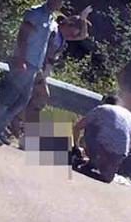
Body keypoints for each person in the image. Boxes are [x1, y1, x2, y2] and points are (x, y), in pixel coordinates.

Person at [0, 0, 68, 144]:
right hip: (23, 62)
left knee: (21, 101)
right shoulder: (36, 13)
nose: (57, 1)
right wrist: (20, 58)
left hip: (34, 66)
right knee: (8, 97)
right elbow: (23, 35)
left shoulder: (51, 19)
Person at [9, 8, 92, 138]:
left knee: (32, 98)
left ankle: (17, 120)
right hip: (38, 67)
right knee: (42, 96)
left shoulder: (63, 38)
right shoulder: (54, 32)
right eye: (73, 30)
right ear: (68, 25)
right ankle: (17, 120)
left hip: (44, 70)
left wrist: (83, 20)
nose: (73, 35)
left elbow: (83, 36)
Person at [72, 94, 131, 183]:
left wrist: (76, 146)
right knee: (107, 177)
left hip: (103, 150)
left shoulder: (102, 109)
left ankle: (92, 162)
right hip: (121, 155)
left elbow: (77, 127)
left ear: (104, 102)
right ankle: (106, 169)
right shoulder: (129, 115)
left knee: (91, 125)